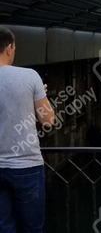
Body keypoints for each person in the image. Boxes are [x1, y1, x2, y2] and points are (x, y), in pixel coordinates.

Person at [0, 26, 55, 232]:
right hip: (26, 166)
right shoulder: (30, 76)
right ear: (9, 47)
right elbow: (48, 120)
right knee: (32, 228)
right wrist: (40, 94)